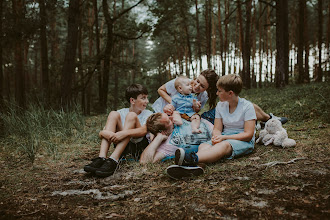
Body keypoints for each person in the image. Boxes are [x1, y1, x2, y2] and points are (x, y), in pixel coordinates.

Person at [166, 74, 257, 179]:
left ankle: (190, 159)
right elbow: (217, 128)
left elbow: (248, 135)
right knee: (203, 146)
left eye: (220, 91)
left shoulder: (247, 107)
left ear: (230, 93)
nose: (217, 93)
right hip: (225, 136)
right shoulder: (220, 106)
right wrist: (216, 136)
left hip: (242, 141)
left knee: (223, 146)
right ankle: (195, 168)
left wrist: (224, 138)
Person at [152, 69, 288, 126]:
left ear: (207, 89)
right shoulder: (181, 83)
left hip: (184, 119)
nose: (197, 85)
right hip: (163, 111)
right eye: (197, 80)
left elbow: (192, 114)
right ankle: (266, 120)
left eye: (202, 85)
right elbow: (160, 90)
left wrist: (195, 108)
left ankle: (269, 119)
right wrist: (175, 103)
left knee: (243, 104)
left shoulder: (202, 96)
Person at [84, 84, 153, 177]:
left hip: (138, 147)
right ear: (132, 100)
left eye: (146, 98)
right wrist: (102, 132)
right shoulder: (120, 112)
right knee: (113, 114)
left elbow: (143, 131)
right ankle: (102, 158)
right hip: (123, 147)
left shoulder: (148, 113)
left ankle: (113, 159)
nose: (147, 101)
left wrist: (123, 133)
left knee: (131, 116)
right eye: (143, 98)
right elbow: (104, 133)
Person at [140, 112, 213, 164]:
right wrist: (158, 138)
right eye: (169, 121)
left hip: (209, 118)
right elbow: (144, 161)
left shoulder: (176, 120)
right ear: (163, 131)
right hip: (214, 138)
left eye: (168, 116)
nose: (171, 118)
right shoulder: (168, 145)